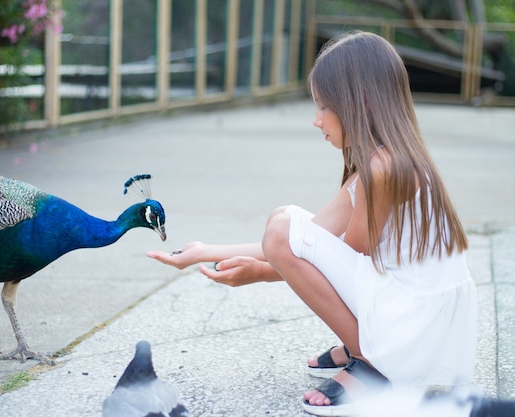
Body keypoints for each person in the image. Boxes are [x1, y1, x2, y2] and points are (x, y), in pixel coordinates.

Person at [147, 31, 477, 415]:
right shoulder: (379, 164)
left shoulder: (383, 168)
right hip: (412, 320)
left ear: (361, 103)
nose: (316, 120)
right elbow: (313, 243)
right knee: (281, 225)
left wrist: (266, 271)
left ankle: (370, 363)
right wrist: (206, 252)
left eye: (323, 107)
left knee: (282, 225)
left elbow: (324, 255)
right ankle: (367, 344)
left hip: (413, 329)